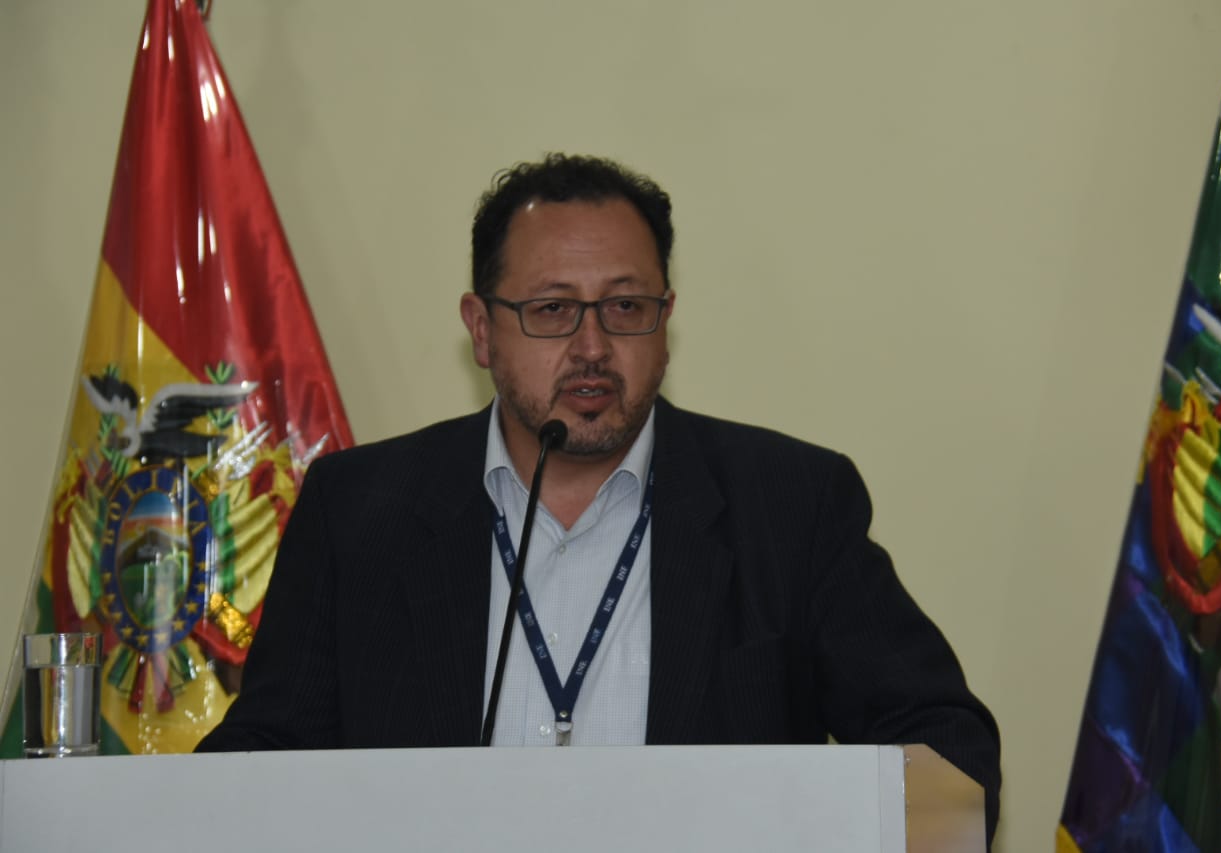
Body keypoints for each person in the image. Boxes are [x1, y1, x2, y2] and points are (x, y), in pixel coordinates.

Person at [197, 153, 1001, 840]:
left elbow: (947, 745)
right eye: (551, 309)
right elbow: (266, 756)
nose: (592, 346)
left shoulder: (790, 505)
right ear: (481, 329)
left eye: (625, 307)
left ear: (665, 322)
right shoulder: (357, 511)